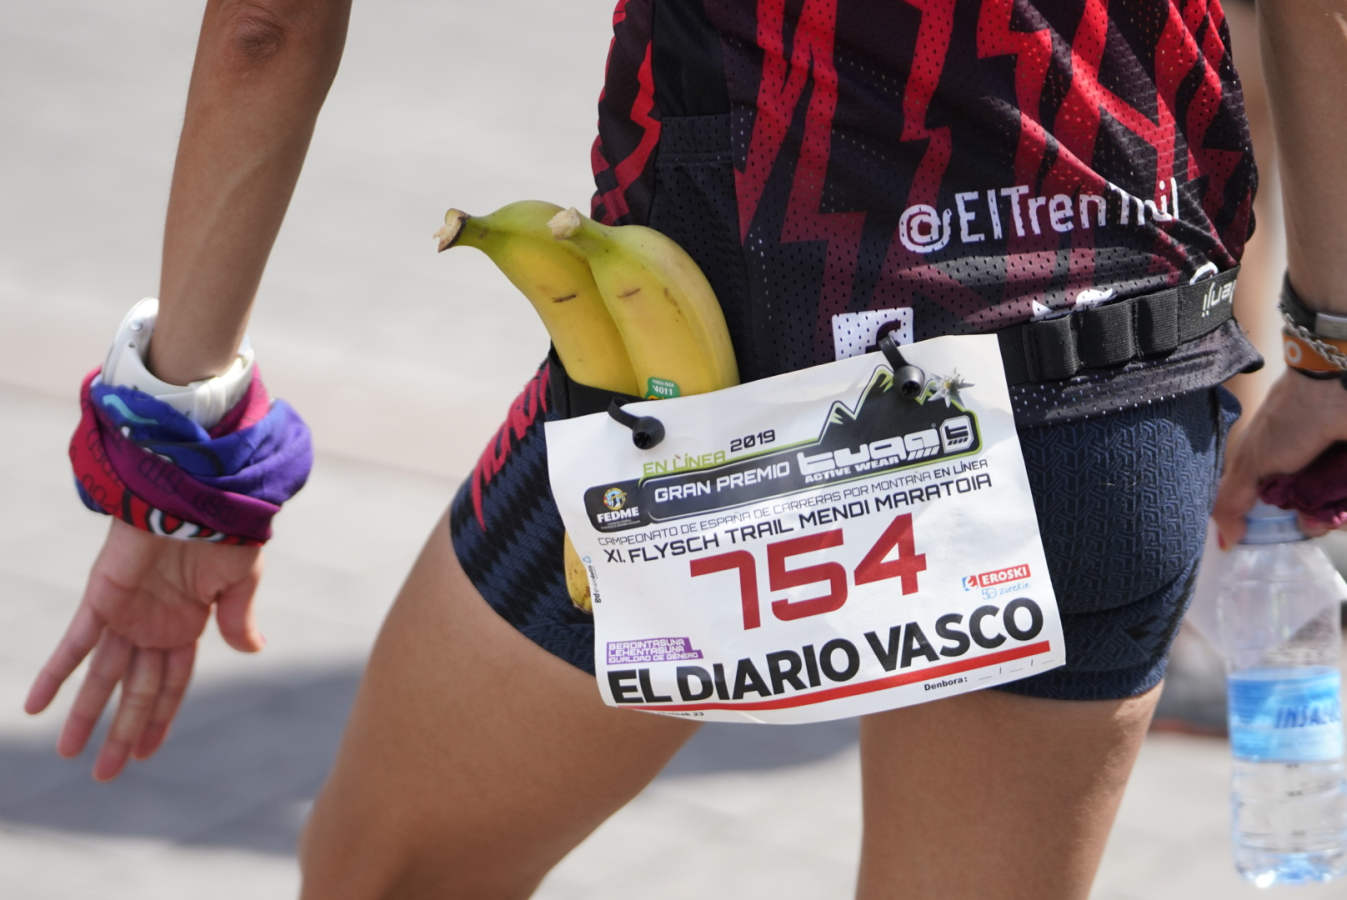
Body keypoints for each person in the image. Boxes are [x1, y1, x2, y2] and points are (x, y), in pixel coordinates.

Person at [22, 2, 1347, 898]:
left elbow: (268, 25)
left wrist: (182, 442)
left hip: (718, 389)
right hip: (1104, 383)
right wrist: (1330, 348)